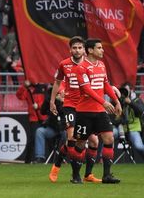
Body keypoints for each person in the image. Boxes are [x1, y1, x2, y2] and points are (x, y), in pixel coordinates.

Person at [68, 38, 122, 184]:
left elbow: (105, 84)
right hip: (84, 112)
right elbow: (86, 89)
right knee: (80, 144)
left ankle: (106, 176)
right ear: (90, 50)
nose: (102, 50)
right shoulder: (81, 67)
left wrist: (116, 101)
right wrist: (104, 102)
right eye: (99, 48)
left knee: (109, 138)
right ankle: (76, 176)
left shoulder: (102, 65)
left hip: (100, 112)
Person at [48, 36, 101, 183]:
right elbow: (58, 83)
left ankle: (87, 174)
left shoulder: (90, 64)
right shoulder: (64, 64)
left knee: (94, 141)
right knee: (72, 138)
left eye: (80, 47)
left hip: (86, 106)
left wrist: (113, 89)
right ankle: (75, 174)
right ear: (70, 49)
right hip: (70, 105)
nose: (77, 50)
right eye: (74, 48)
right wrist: (53, 101)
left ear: (84, 50)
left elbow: (99, 82)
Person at [16, 80, 48, 163]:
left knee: (45, 137)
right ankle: (29, 159)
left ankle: (46, 158)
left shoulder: (44, 87)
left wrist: (39, 105)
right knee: (33, 138)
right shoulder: (28, 88)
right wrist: (24, 86)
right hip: (34, 117)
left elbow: (48, 100)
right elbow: (19, 96)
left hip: (44, 116)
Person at [34, 86, 66, 163]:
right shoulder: (50, 101)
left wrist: (61, 102)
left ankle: (65, 156)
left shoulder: (66, 101)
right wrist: (49, 101)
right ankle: (40, 157)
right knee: (39, 131)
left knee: (67, 134)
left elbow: (64, 113)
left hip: (64, 128)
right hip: (53, 128)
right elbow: (42, 111)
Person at [113, 83, 144, 159]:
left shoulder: (137, 100)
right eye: (123, 91)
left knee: (139, 146)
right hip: (121, 129)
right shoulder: (118, 102)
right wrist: (119, 104)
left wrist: (130, 102)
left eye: (126, 90)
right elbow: (114, 119)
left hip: (134, 129)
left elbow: (140, 111)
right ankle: (105, 158)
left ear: (131, 90)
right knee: (111, 134)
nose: (124, 93)